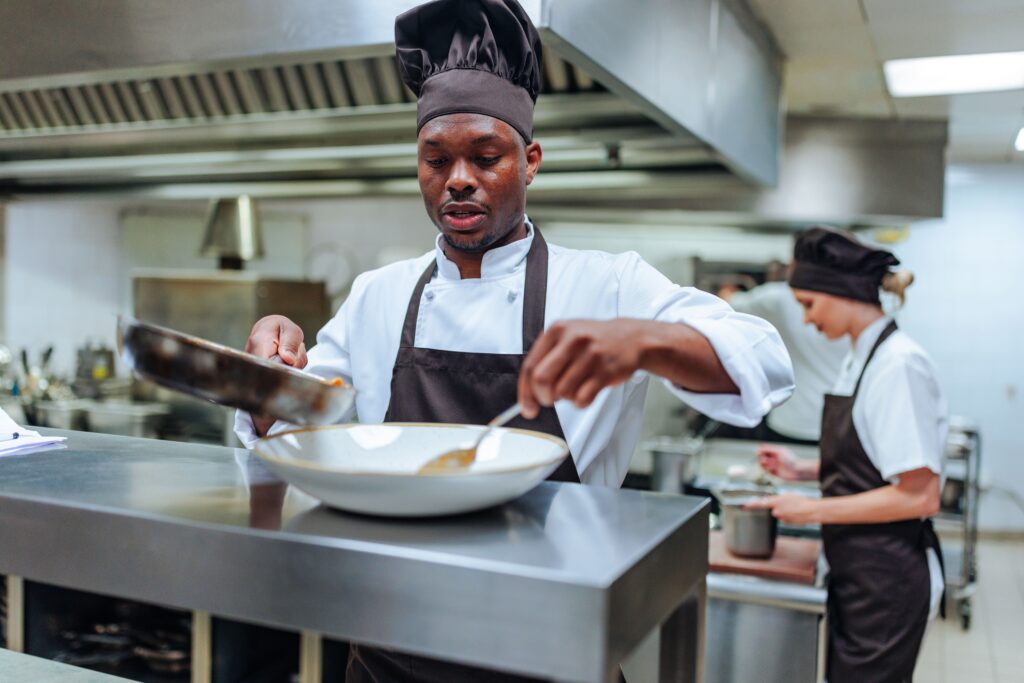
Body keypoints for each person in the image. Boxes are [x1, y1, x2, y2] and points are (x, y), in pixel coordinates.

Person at [236, 0, 794, 680]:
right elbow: (297, 418)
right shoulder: (379, 293)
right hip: (390, 647)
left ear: (530, 161)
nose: (459, 178)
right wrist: (265, 373)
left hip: (551, 648)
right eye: (435, 159)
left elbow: (762, 359)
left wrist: (646, 341)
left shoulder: (608, 284)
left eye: (485, 155)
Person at [748, 226, 946, 683]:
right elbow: (879, 463)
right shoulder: (862, 356)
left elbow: (919, 495)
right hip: (859, 570)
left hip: (887, 580)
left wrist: (811, 509)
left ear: (840, 293)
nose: (807, 321)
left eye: (809, 305)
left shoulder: (898, 365)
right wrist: (803, 470)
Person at [722, 261, 849, 444]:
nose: (807, 319)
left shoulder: (780, 297)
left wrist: (728, 289)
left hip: (792, 421)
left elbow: (727, 303)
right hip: (840, 424)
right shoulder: (856, 305)